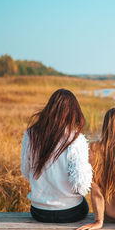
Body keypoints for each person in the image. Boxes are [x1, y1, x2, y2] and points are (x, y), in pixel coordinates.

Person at [21, 88, 92, 223]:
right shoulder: (76, 139)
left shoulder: (30, 135)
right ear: (74, 113)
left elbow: (25, 171)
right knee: (83, 203)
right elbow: (81, 186)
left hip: (39, 212)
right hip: (70, 212)